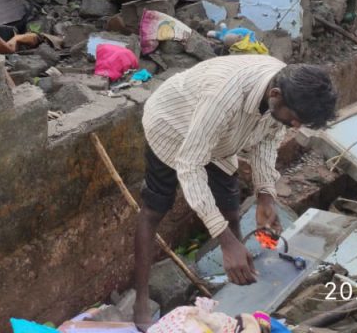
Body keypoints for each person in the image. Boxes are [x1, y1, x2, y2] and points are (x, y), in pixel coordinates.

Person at [132, 55, 338, 331]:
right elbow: (190, 165)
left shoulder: (287, 89)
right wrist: (225, 240)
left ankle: (237, 284)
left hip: (220, 136)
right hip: (172, 124)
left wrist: (265, 196)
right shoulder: (225, 96)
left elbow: (267, 141)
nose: (296, 127)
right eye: (295, 120)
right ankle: (141, 300)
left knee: (230, 208)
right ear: (275, 95)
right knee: (155, 208)